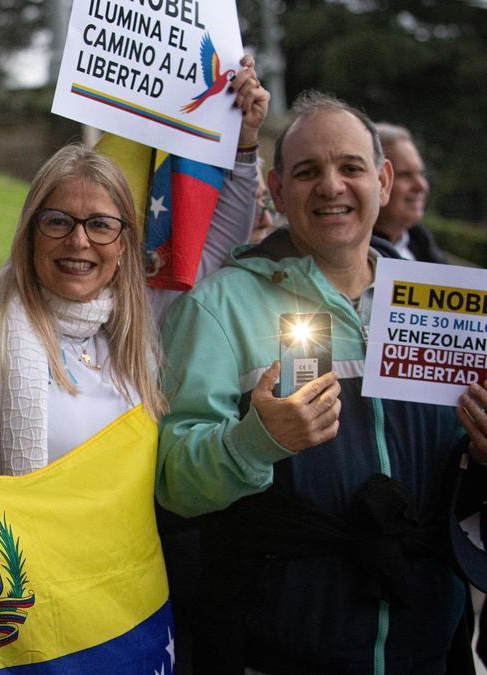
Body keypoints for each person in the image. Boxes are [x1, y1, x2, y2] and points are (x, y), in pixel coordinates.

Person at [157, 91, 486, 672]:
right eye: (307, 171)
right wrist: (253, 442)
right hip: (277, 649)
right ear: (278, 191)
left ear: (382, 181)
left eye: (350, 167)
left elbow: (467, 484)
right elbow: (174, 483)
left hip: (432, 646)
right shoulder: (220, 307)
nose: (331, 186)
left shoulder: (445, 307)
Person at [373, 122, 446, 263]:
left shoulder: (424, 247)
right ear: (378, 180)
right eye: (405, 175)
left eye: (421, 173)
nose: (421, 185)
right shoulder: (348, 258)